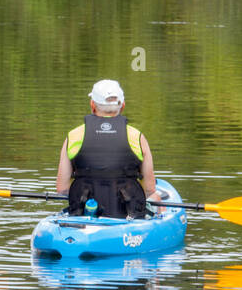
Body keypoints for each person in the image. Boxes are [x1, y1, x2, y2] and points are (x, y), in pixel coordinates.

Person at [56, 79, 162, 218]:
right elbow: (149, 189)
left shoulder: (73, 136)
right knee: (158, 199)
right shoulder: (137, 137)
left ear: (92, 105)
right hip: (126, 216)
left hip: (84, 215)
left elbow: (62, 189)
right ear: (122, 106)